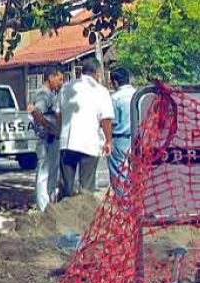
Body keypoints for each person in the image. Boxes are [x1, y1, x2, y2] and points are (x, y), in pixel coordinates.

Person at [55, 58, 114, 198]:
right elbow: (106, 119)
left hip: (67, 142)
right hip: (89, 143)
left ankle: (63, 214)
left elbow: (58, 113)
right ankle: (85, 217)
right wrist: (108, 141)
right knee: (86, 188)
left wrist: (61, 131)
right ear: (97, 73)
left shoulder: (66, 88)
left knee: (66, 186)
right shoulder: (101, 91)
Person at [29, 69, 64, 211]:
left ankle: (49, 204)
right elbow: (36, 113)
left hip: (52, 138)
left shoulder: (52, 94)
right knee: (44, 173)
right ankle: (43, 207)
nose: (61, 83)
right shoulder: (43, 94)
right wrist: (51, 128)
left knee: (52, 172)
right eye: (59, 79)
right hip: (46, 139)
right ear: (50, 77)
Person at [108, 68, 136, 185]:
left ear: (115, 82)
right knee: (135, 172)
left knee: (119, 174)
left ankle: (122, 202)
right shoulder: (137, 94)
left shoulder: (115, 98)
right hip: (136, 139)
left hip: (119, 139)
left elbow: (112, 122)